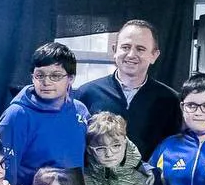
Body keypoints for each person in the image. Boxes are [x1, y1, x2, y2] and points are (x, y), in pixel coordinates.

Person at [75, 20, 181, 160]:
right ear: (114, 50)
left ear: (154, 55)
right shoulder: (86, 93)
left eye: (140, 49)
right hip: (94, 180)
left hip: (147, 180)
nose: (131, 54)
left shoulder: (170, 100)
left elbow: (174, 149)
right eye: (125, 47)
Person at [0, 42, 90, 185]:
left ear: (71, 78)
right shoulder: (17, 115)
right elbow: (2, 173)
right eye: (40, 75)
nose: (46, 82)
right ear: (32, 77)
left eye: (55, 76)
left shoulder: (80, 110)